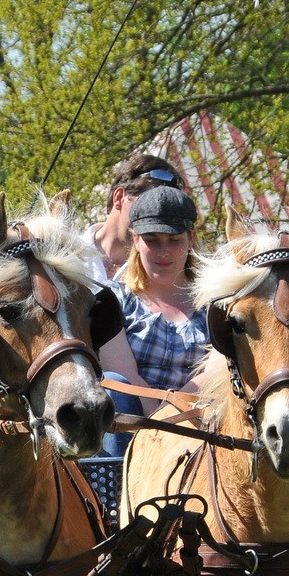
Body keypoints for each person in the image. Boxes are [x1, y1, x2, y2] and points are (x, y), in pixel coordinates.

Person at [96, 185, 210, 452]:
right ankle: (114, 489)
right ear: (135, 239)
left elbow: (216, 371)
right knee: (115, 386)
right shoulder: (113, 299)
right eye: (152, 240)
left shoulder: (215, 304)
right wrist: (162, 428)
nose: (163, 252)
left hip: (198, 432)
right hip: (127, 431)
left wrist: (176, 428)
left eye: (174, 240)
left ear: (191, 238)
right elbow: (122, 377)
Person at [84, 153, 184, 281]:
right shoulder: (64, 255)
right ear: (119, 198)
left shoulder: (161, 276)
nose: (155, 221)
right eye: (148, 206)